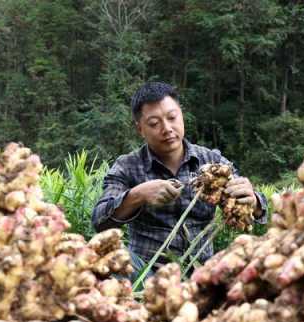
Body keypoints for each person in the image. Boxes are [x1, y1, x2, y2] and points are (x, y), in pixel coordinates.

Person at [91, 82, 268, 280]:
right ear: (140, 128)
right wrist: (138, 195)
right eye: (154, 124)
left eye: (172, 117)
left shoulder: (212, 162)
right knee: (111, 263)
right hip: (146, 274)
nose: (167, 129)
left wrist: (253, 200)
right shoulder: (127, 166)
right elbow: (99, 220)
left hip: (202, 273)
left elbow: (258, 207)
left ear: (181, 116)